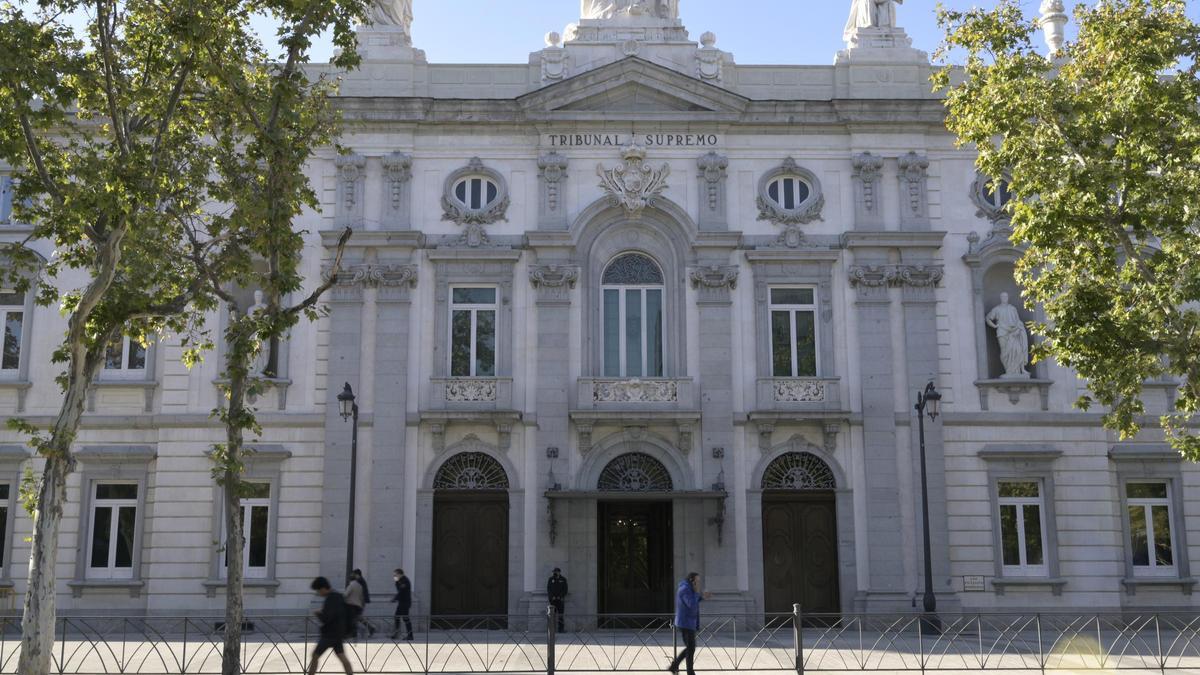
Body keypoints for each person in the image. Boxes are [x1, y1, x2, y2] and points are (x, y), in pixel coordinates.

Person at [307, 576, 354, 675]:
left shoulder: (330, 598)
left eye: (318, 591)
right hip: (338, 633)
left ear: (323, 588)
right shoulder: (338, 596)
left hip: (330, 634)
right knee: (342, 656)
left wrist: (318, 613)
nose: (318, 593)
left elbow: (327, 618)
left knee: (315, 655)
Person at [668, 572, 710, 675]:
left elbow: (693, 601)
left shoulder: (688, 589)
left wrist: (702, 597)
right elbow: (691, 604)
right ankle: (678, 667)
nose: (698, 583)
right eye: (697, 581)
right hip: (685, 623)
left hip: (689, 622)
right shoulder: (684, 589)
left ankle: (678, 667)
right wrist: (696, 593)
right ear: (692, 580)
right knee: (691, 648)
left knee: (690, 648)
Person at [391, 568, 414, 640]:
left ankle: (410, 635)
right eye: (394, 575)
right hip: (402, 602)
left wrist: (394, 599)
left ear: (400, 574)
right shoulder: (399, 581)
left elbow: (401, 591)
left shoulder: (405, 581)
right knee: (397, 617)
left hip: (405, 603)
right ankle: (397, 633)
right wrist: (397, 582)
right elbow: (399, 590)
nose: (394, 576)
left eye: (395, 575)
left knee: (405, 618)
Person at [345, 572, 369, 639]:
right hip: (358, 605)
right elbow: (361, 597)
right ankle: (356, 633)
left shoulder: (351, 585)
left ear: (349, 580)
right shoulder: (359, 586)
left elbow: (345, 595)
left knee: (351, 620)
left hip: (351, 606)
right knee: (355, 620)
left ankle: (353, 633)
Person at [547, 568, 569, 633]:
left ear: (559, 572)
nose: (554, 573)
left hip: (560, 600)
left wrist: (560, 596)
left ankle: (561, 629)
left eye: (556, 572)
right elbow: (549, 589)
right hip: (553, 600)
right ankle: (552, 629)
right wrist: (552, 597)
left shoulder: (563, 579)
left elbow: (565, 589)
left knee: (560, 615)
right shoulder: (551, 579)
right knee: (552, 615)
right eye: (554, 572)